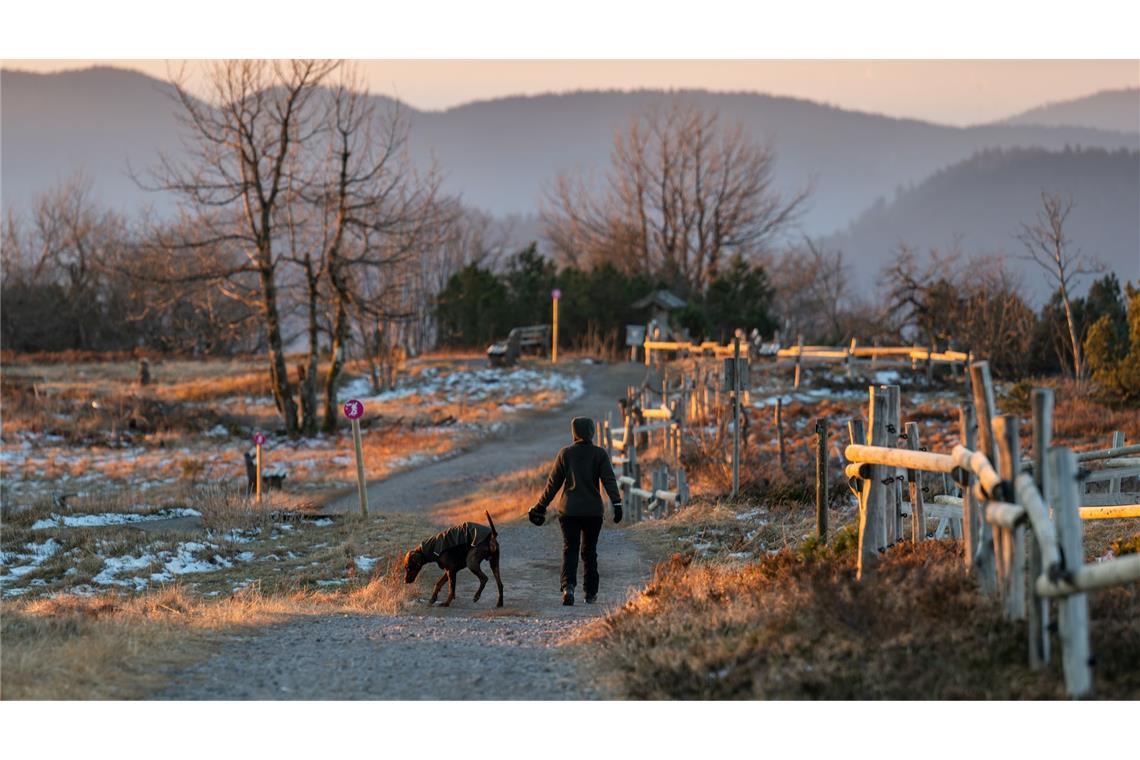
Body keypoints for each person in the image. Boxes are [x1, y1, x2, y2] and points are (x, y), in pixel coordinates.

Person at [528, 417, 623, 606]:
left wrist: (540, 506)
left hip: (569, 511)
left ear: (574, 432)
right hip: (593, 512)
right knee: (589, 552)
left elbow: (553, 484)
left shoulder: (565, 454)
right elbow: (609, 480)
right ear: (591, 432)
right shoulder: (599, 454)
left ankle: (568, 587)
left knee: (569, 549)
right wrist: (617, 503)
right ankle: (590, 593)